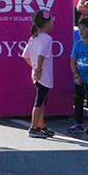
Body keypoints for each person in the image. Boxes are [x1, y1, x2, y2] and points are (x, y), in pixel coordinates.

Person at [22, 9, 56, 139]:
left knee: (42, 101)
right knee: (39, 101)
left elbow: (26, 56)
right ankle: (33, 127)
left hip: (38, 74)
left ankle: (41, 125)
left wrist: (34, 67)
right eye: (51, 20)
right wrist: (39, 69)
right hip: (43, 75)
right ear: (47, 23)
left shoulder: (33, 38)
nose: (53, 22)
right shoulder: (47, 39)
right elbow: (41, 55)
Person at [70, 17, 88, 134]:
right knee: (78, 101)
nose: (81, 31)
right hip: (79, 79)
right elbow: (73, 60)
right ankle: (79, 123)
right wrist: (76, 76)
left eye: (84, 28)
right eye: (80, 28)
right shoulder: (77, 45)